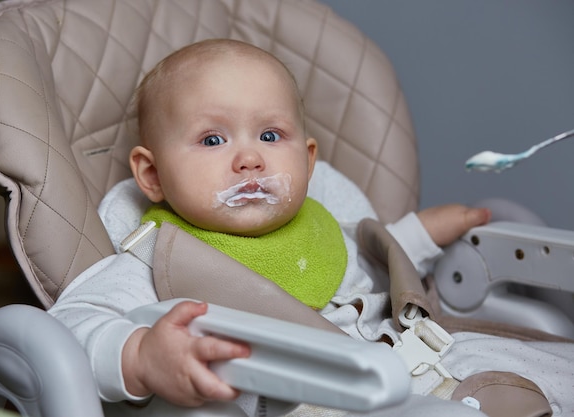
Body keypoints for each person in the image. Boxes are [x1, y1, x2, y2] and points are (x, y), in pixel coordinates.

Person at [48, 39, 573, 416]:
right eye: (213, 140)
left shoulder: (318, 228)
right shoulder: (155, 261)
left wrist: (415, 236)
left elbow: (364, 267)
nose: (249, 158)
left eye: (271, 135)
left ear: (307, 158)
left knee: (555, 366)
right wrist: (139, 355)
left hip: (416, 359)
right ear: (152, 175)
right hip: (315, 398)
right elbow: (69, 328)